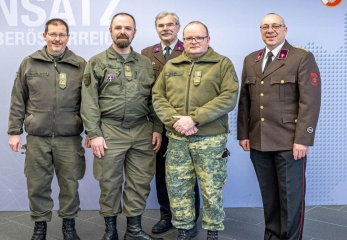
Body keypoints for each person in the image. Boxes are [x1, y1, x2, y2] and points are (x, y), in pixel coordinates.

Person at [237, 13, 321, 240]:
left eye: (275, 26)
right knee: (270, 197)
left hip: (289, 141)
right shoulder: (251, 60)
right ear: (260, 31)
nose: (270, 30)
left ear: (285, 29)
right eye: (265, 27)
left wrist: (303, 139)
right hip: (258, 140)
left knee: (290, 199)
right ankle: (272, 236)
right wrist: (243, 134)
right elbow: (245, 100)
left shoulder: (301, 57)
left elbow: (309, 102)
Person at [80, 12, 163, 240]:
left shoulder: (146, 64)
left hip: (141, 130)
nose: (123, 32)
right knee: (109, 182)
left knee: (139, 181)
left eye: (127, 28)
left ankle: (134, 230)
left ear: (134, 32)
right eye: (118, 28)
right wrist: (94, 133)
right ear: (110, 31)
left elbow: (153, 100)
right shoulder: (96, 62)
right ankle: (111, 231)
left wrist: (156, 127)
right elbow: (89, 101)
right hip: (110, 131)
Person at [152, 21, 239, 240]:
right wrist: (176, 122)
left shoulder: (222, 64)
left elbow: (228, 97)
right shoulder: (172, 66)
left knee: (211, 189)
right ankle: (184, 228)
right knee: (178, 188)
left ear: (208, 39)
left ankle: (212, 231)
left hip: (210, 139)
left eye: (199, 38)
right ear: (183, 40)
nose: (194, 42)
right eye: (189, 38)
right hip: (178, 139)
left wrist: (194, 119)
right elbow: (158, 96)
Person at [7, 18, 86, 240]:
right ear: (44, 36)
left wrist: (92, 132)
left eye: (62, 35)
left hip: (69, 139)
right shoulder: (29, 63)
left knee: (70, 185)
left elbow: (89, 103)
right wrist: (15, 131)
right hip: (37, 138)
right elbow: (17, 99)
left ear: (68, 38)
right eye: (53, 34)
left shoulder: (80, 65)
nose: (57, 39)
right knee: (37, 185)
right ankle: (39, 227)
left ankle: (68, 227)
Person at [141, 11, 200, 234]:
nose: (165, 28)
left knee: (187, 173)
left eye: (169, 25)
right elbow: (147, 92)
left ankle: (191, 218)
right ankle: (167, 216)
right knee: (163, 172)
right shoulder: (147, 53)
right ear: (156, 28)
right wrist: (155, 124)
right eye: (160, 25)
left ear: (178, 27)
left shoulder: (190, 48)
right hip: (159, 124)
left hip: (186, 124)